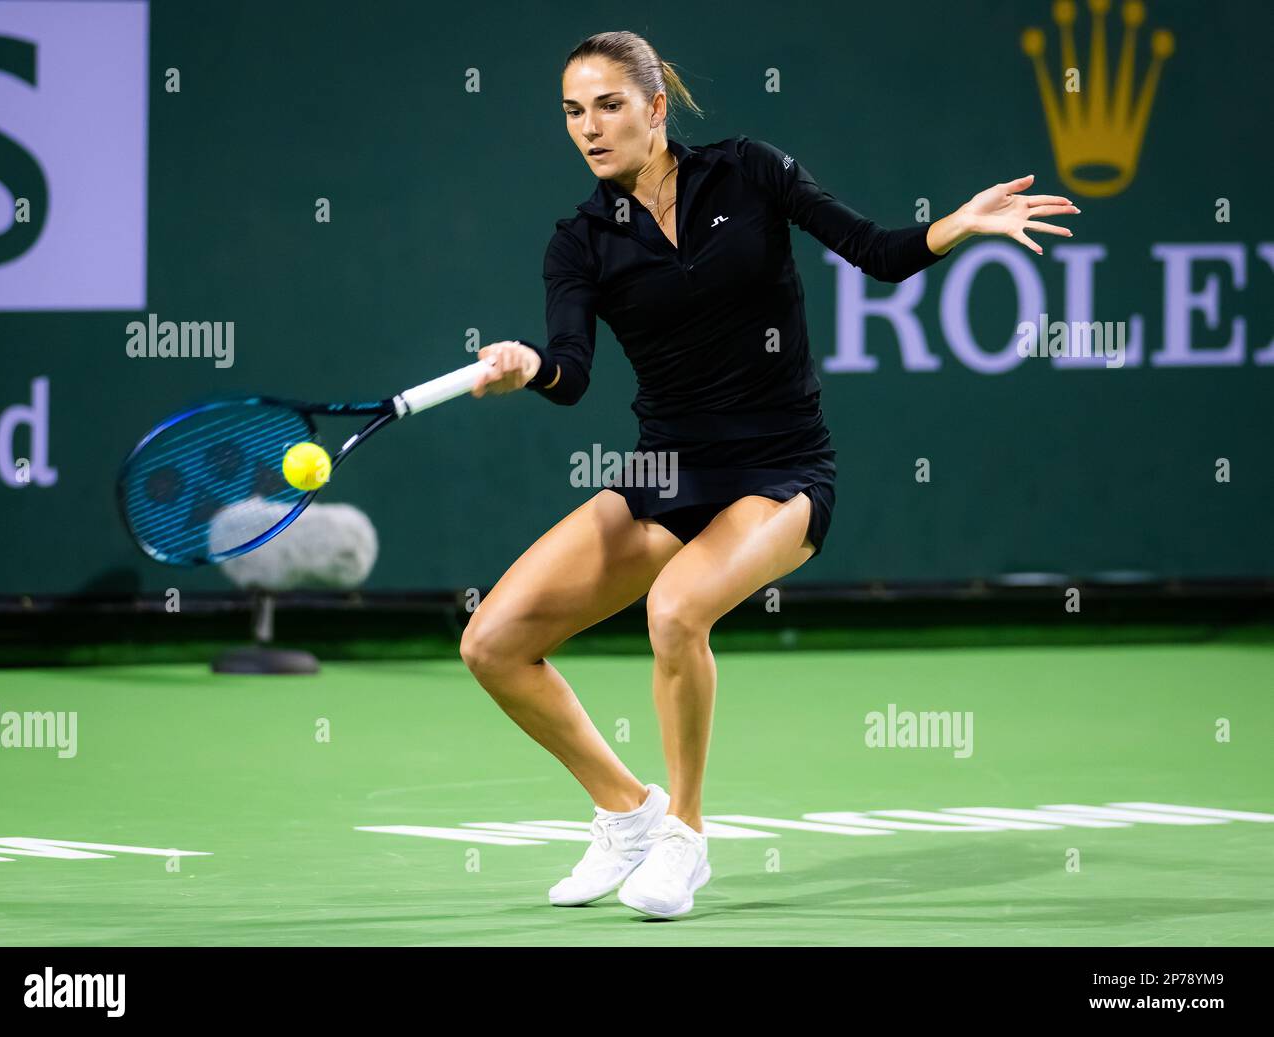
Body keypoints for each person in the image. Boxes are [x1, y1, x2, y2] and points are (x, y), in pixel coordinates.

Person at [460, 30, 1078, 919]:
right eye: (572, 112)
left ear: (655, 107)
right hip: (666, 473)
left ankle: (687, 836)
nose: (588, 128)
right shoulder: (581, 242)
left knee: (676, 608)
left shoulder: (749, 171)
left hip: (781, 467)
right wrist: (529, 368)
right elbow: (573, 372)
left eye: (608, 105)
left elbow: (878, 251)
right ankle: (628, 810)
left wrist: (958, 226)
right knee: (492, 643)